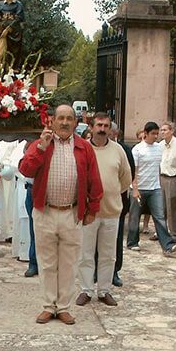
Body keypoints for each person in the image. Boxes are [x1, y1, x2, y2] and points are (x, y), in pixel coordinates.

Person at [18, 104, 103, 325]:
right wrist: (41, 148)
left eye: (69, 118)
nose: (65, 122)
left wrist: (93, 209)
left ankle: (63, 307)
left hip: (71, 213)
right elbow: (25, 169)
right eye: (61, 118)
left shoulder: (84, 148)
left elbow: (94, 180)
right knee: (46, 263)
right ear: (52, 121)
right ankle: (48, 306)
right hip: (45, 212)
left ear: (75, 122)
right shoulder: (41, 144)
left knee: (69, 263)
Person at [77, 113, 130, 307]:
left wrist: (110, 192)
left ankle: (104, 290)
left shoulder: (118, 150)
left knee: (108, 254)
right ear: (91, 127)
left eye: (106, 126)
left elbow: (125, 178)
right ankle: (86, 290)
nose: (102, 129)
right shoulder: (83, 148)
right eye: (99, 125)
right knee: (85, 253)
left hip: (110, 211)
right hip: (88, 213)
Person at [126, 122, 176, 256]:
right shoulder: (137, 149)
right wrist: (135, 188)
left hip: (155, 187)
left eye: (157, 133)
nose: (156, 136)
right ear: (145, 133)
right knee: (135, 216)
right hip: (140, 187)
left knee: (160, 217)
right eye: (153, 133)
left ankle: (167, 246)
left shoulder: (159, 147)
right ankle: (132, 242)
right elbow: (134, 171)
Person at [111, 123, 135, 287]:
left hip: (118, 200)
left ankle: (114, 271)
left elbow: (129, 174)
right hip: (98, 202)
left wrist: (116, 190)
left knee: (117, 238)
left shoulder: (124, 150)